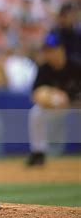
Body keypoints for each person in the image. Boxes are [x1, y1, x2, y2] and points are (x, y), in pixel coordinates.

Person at [26, 32, 81, 166]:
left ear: (61, 50)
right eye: (46, 51)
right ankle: (38, 152)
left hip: (76, 104)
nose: (49, 54)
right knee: (36, 113)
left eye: (52, 50)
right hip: (56, 106)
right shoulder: (44, 69)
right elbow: (35, 94)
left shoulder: (75, 66)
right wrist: (49, 98)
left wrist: (69, 99)